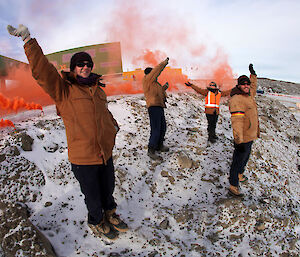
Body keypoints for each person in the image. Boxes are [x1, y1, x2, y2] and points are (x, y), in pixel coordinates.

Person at [7, 24, 128, 240]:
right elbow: (42, 71)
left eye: (88, 64)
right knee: (92, 196)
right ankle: (96, 221)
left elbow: (104, 114)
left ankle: (111, 214)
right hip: (84, 157)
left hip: (104, 154)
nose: (85, 67)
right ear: (73, 69)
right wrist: (28, 40)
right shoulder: (64, 90)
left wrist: (112, 127)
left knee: (108, 189)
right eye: (80, 64)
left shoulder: (98, 90)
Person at [228, 64, 259, 196]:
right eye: (243, 84)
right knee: (238, 160)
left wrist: (253, 75)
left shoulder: (248, 95)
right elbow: (237, 122)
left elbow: (253, 86)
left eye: (247, 84)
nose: (246, 86)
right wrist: (238, 141)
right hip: (243, 137)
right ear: (239, 86)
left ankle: (240, 174)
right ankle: (233, 185)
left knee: (245, 158)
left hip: (250, 135)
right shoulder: (237, 99)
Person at [142, 58, 170, 160]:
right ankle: (151, 149)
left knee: (163, 127)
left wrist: (164, 88)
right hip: (153, 107)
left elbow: (158, 92)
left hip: (159, 106)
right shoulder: (148, 79)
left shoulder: (154, 84)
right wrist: (164, 63)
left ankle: (159, 145)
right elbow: (156, 70)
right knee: (156, 129)